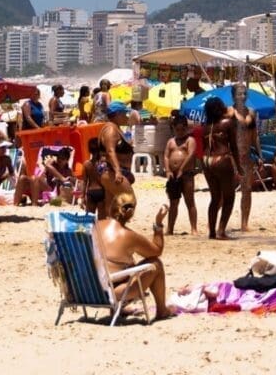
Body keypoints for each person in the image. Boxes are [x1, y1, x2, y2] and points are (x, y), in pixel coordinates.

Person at [95, 193, 174, 322]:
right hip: (112, 293)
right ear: (131, 213)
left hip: (89, 289)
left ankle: (117, 309)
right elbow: (156, 251)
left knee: (121, 265)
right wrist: (158, 224)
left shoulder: (95, 226)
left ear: (111, 207)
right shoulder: (128, 235)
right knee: (156, 263)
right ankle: (162, 310)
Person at [201, 96, 241, 240]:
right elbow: (234, 147)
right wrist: (239, 167)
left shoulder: (205, 127)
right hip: (221, 159)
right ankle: (221, 231)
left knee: (215, 198)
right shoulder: (227, 123)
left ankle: (212, 232)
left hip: (206, 160)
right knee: (229, 197)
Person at [97, 104, 136, 215]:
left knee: (112, 207)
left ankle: (110, 230)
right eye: (125, 113)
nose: (127, 116)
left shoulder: (114, 128)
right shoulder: (110, 129)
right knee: (129, 202)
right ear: (118, 114)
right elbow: (110, 151)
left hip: (111, 170)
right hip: (111, 171)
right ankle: (118, 229)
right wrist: (118, 171)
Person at [163, 115, 197, 235]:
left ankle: (194, 228)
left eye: (183, 129)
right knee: (173, 202)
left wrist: (182, 169)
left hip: (186, 174)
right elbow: (166, 156)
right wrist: (168, 170)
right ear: (173, 129)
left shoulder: (190, 140)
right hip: (173, 175)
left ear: (186, 128)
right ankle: (170, 228)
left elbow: (191, 154)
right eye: (177, 130)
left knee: (190, 201)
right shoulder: (171, 141)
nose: (180, 132)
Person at [230, 83, 257, 232]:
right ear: (233, 96)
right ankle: (216, 222)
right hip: (232, 156)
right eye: (239, 94)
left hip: (247, 155)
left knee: (247, 190)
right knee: (226, 190)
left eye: (244, 93)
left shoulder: (251, 112)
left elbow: (254, 135)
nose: (242, 96)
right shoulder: (229, 111)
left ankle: (244, 222)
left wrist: (259, 154)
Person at [80, 137, 107, 218]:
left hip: (91, 192)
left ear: (90, 150)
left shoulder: (86, 164)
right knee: (102, 219)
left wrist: (82, 196)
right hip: (101, 191)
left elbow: (84, 182)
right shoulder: (104, 163)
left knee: (89, 219)